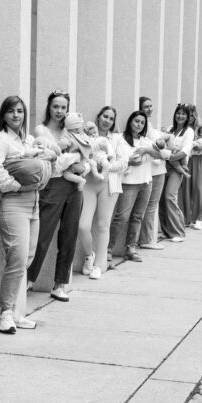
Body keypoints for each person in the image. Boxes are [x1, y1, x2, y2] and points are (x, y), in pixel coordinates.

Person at [0, 95, 55, 333]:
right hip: (12, 203)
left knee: (27, 259)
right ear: (3, 115)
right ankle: (5, 313)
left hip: (33, 203)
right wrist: (18, 187)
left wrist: (47, 160)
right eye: (11, 111)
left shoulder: (29, 140)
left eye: (20, 111)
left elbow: (48, 163)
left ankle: (15, 311)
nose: (16, 115)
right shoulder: (1, 140)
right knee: (17, 257)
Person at [25, 90, 86, 303]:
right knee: (42, 236)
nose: (59, 111)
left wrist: (83, 166)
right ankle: (27, 281)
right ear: (49, 107)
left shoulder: (73, 130)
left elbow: (86, 154)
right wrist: (73, 160)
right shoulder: (41, 130)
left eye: (63, 107)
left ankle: (60, 284)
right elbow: (54, 162)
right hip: (52, 185)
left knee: (69, 235)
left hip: (75, 186)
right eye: (55, 106)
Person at [76, 105, 126, 280]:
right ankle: (89, 255)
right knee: (82, 225)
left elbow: (123, 163)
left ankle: (99, 265)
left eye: (111, 118)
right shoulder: (85, 135)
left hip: (109, 183)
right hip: (89, 183)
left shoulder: (117, 139)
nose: (107, 121)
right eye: (105, 116)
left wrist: (106, 166)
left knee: (103, 225)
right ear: (98, 117)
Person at [108, 110, 165, 262]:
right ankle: (107, 249)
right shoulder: (119, 138)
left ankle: (130, 249)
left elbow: (161, 155)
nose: (139, 125)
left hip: (145, 183)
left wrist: (147, 149)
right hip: (128, 184)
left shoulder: (145, 141)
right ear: (130, 121)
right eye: (136, 121)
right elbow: (113, 159)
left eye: (142, 123)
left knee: (137, 217)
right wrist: (129, 162)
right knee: (121, 217)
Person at [159, 103, 195, 242]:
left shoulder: (189, 131)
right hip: (164, 166)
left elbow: (185, 151)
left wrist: (170, 156)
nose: (180, 116)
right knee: (161, 199)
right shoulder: (170, 129)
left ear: (188, 117)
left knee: (170, 196)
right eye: (178, 113)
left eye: (183, 114)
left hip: (177, 168)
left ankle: (178, 232)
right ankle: (167, 231)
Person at [137, 97, 169, 251]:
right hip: (154, 169)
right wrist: (165, 139)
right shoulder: (146, 126)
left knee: (150, 205)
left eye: (151, 106)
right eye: (146, 106)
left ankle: (147, 238)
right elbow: (158, 146)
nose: (150, 109)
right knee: (151, 205)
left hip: (157, 168)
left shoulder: (149, 125)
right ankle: (147, 239)